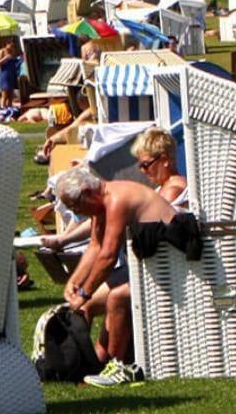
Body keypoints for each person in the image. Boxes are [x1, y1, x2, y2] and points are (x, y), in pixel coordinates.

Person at [53, 159, 198, 387]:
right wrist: (74, 283)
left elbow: (108, 256)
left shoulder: (117, 200)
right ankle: (90, 365)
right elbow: (95, 246)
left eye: (76, 207)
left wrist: (84, 291)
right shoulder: (101, 202)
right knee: (87, 306)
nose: (76, 213)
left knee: (117, 297)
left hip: (174, 270)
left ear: (88, 192)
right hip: (148, 268)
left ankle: (118, 365)